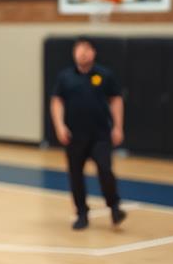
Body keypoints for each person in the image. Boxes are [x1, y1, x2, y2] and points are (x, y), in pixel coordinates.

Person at [50, 37, 127, 230]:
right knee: (75, 175)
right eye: (78, 49)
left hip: (100, 134)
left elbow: (116, 100)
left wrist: (118, 126)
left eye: (86, 49)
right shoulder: (65, 77)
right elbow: (56, 101)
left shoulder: (104, 75)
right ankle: (82, 213)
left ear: (93, 52)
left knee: (105, 170)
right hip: (75, 136)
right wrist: (60, 126)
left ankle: (114, 206)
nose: (82, 53)